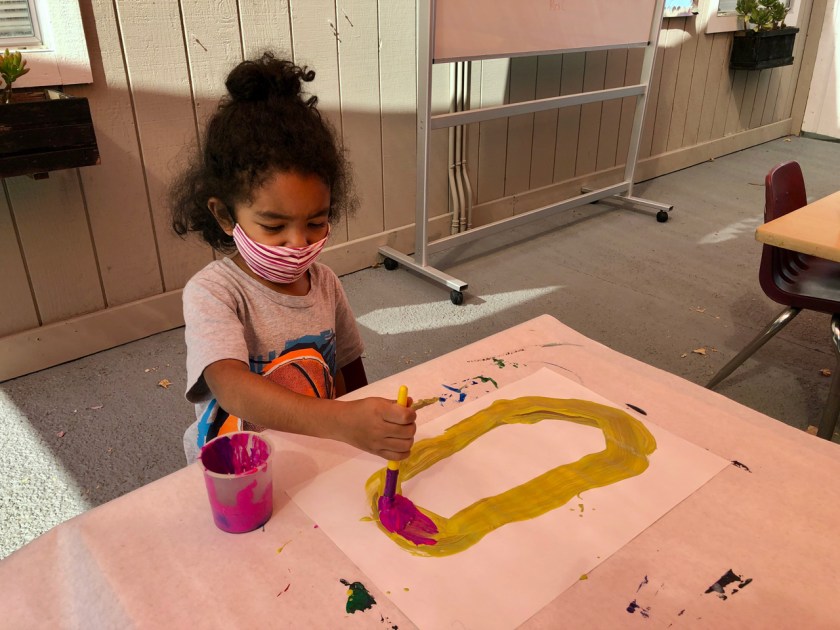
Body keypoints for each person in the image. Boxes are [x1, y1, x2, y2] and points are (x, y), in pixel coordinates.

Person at [169, 52, 416, 464]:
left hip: (316, 452)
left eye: (316, 222)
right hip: (238, 471)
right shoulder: (212, 292)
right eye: (274, 226)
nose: (298, 243)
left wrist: (369, 425)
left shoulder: (325, 283)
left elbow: (350, 371)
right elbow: (231, 387)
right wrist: (342, 421)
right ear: (224, 215)